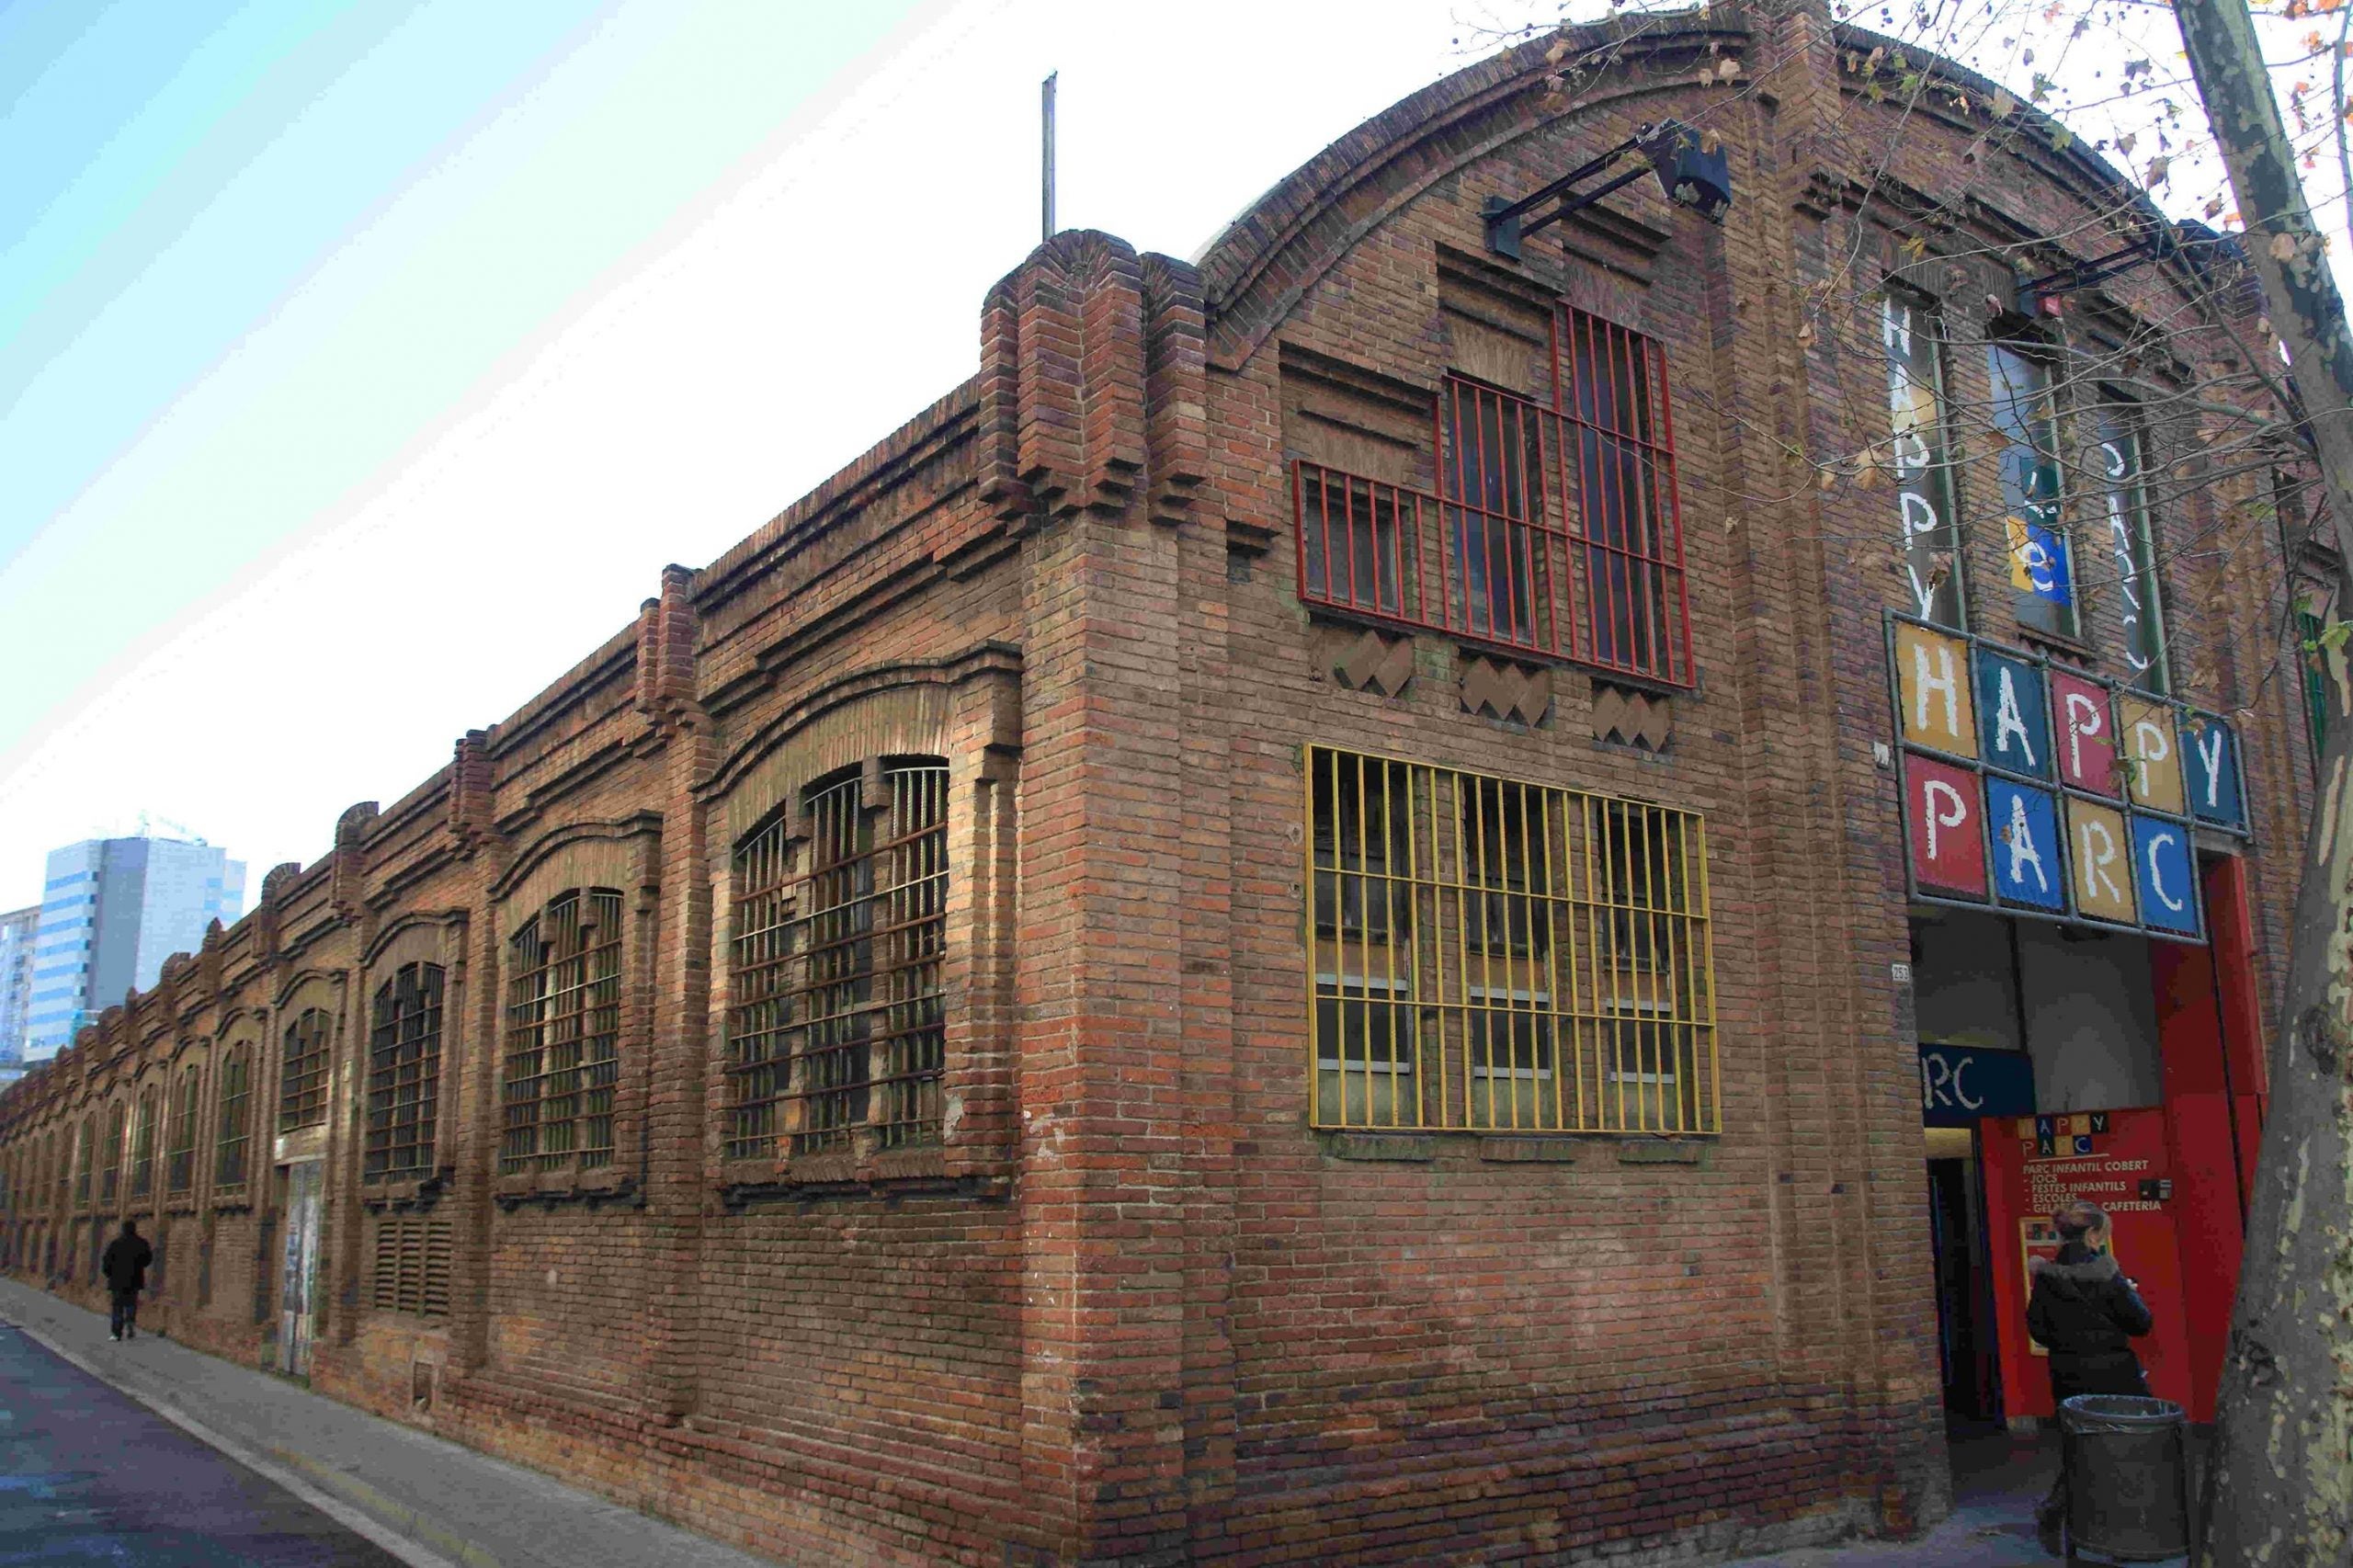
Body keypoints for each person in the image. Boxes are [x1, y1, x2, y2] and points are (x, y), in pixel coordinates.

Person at [2026, 1199, 2154, 1556]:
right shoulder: (2107, 1275)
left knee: (2080, 1447)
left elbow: (2038, 1328)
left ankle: (2059, 1509)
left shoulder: (2047, 1279)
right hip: (2116, 1373)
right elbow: (2141, 1323)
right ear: (2094, 1233)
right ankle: (2118, 1532)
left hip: (2068, 1372)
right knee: (2126, 1447)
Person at [100, 1219, 153, 1343]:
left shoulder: (115, 1244)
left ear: (123, 1230)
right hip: (135, 1279)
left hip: (117, 1280)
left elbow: (106, 1262)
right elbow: (147, 1260)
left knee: (117, 1306)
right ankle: (130, 1321)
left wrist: (109, 1275)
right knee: (131, 1303)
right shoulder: (141, 1243)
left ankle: (116, 1333)